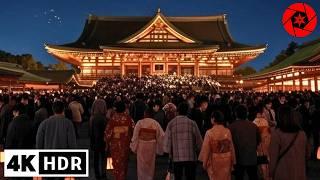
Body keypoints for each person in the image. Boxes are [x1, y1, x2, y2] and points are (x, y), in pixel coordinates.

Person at [164, 102, 203, 180]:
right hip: (190, 156)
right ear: (187, 111)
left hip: (176, 156)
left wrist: (167, 151)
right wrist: (198, 150)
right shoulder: (192, 123)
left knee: (177, 177)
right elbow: (199, 141)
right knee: (190, 177)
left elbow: (167, 142)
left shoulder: (171, 123)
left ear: (178, 111)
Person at [269, 106, 309, 180]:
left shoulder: (277, 134)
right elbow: (307, 154)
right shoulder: (302, 134)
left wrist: (271, 173)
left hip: (282, 171)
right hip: (299, 172)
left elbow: (273, 157)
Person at [199, 111, 236, 180]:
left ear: (213, 119)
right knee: (226, 177)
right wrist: (233, 160)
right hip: (226, 158)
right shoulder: (227, 131)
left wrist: (204, 163)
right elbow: (231, 147)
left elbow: (206, 149)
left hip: (215, 159)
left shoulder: (209, 132)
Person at [130, 108, 164, 180]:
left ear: (145, 114)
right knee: (150, 165)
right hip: (152, 146)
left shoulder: (140, 122)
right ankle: (149, 178)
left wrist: (134, 147)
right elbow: (161, 136)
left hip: (141, 145)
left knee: (141, 165)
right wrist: (159, 148)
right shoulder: (155, 123)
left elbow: (135, 136)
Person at [229, 104, 261, 180]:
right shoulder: (253, 126)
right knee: (253, 176)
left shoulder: (231, 127)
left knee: (239, 177)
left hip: (238, 157)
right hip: (251, 156)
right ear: (247, 113)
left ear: (235, 114)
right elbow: (258, 140)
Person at [105, 101, 135, 180]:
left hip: (115, 145)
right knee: (124, 163)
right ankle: (123, 177)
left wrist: (107, 142)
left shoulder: (112, 119)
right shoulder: (129, 119)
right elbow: (133, 131)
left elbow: (107, 133)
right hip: (126, 144)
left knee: (116, 163)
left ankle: (118, 178)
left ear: (116, 109)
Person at [90, 96, 107, 180]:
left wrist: (91, 143)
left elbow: (91, 132)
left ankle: (97, 174)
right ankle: (104, 173)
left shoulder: (92, 119)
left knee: (96, 158)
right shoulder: (105, 118)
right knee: (103, 158)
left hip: (95, 141)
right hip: (103, 141)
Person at [253, 104, 271, 180]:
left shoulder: (254, 122)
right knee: (265, 161)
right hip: (266, 144)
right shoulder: (265, 122)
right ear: (261, 112)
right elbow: (268, 135)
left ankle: (262, 176)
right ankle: (266, 176)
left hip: (258, 145)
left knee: (260, 162)